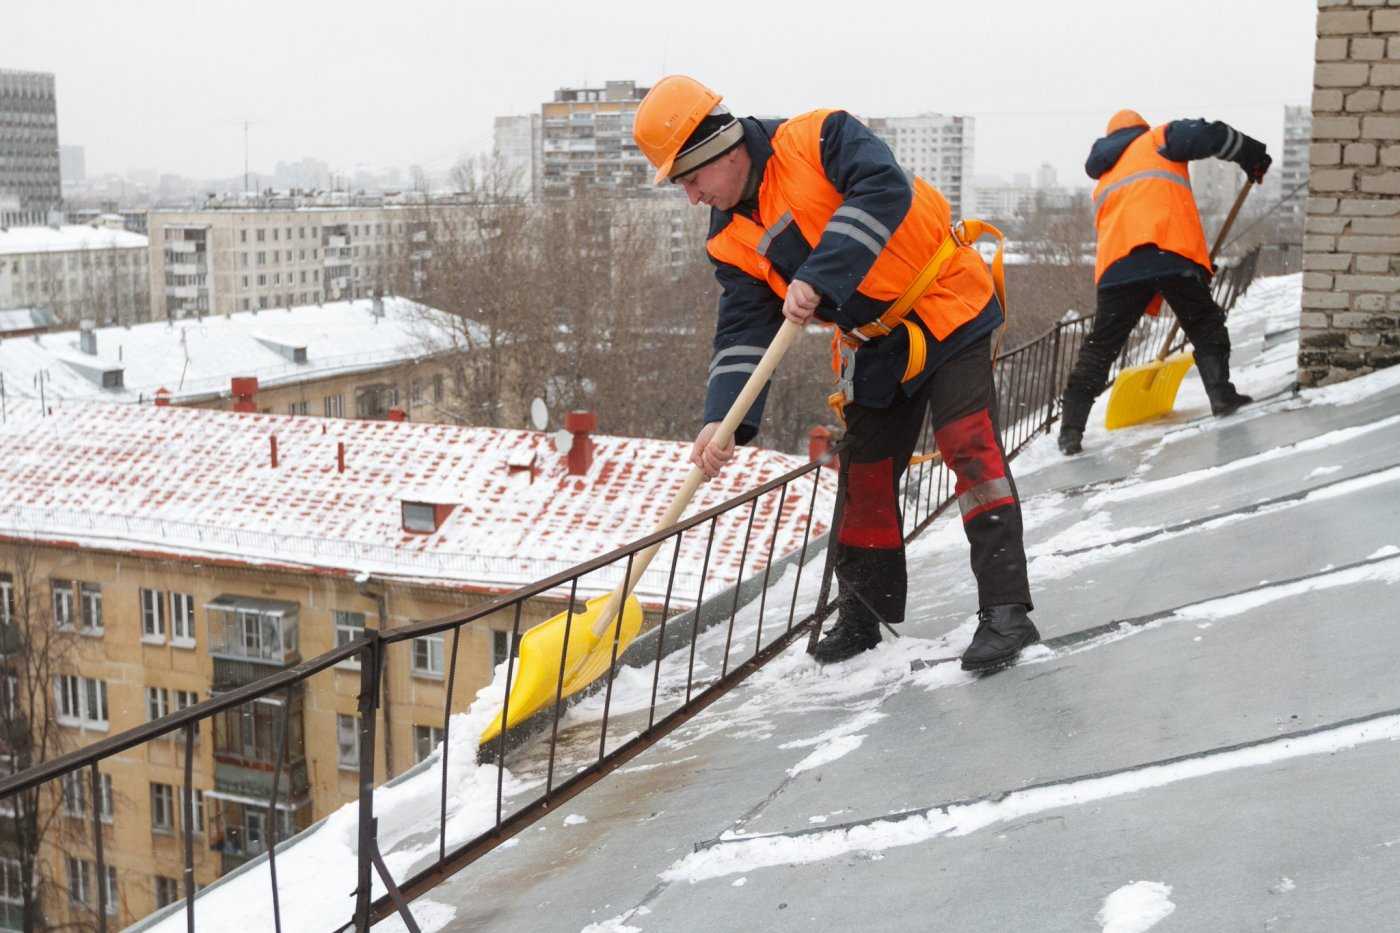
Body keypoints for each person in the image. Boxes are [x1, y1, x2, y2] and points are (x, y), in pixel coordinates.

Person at [632, 75, 1038, 672]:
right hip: (876, 343)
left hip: (947, 304)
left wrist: (822, 273)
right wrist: (722, 419)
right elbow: (744, 329)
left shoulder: (818, 137)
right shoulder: (727, 241)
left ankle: (1006, 612)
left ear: (723, 151)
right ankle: (861, 614)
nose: (691, 197)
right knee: (866, 475)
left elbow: (882, 188)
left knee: (968, 446)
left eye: (691, 180)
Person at [1058, 109, 1272, 455]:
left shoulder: (1105, 177)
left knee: (1101, 346)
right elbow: (1210, 134)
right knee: (1204, 322)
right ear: (1139, 129)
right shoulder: (1157, 139)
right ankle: (1221, 395)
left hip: (1118, 269)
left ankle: (1070, 431)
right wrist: (1251, 154)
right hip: (1168, 250)